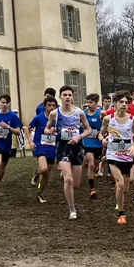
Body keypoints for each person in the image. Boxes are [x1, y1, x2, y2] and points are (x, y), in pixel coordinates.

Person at [47, 85, 93, 219]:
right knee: (68, 180)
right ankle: (72, 209)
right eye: (65, 95)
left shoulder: (79, 112)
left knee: (76, 184)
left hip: (77, 149)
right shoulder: (54, 113)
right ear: (60, 97)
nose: (67, 97)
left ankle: (66, 174)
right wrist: (50, 131)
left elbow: (88, 129)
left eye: (69, 95)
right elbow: (46, 129)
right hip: (63, 148)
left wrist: (78, 137)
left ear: (72, 97)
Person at [100, 91, 134, 225]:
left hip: (127, 155)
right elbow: (101, 133)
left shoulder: (132, 120)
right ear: (115, 103)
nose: (124, 104)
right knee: (120, 183)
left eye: (126, 102)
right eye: (121, 102)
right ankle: (121, 214)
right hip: (113, 154)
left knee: (126, 189)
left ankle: (120, 202)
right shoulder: (108, 119)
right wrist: (103, 140)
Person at [27, 95, 58, 204]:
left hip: (52, 147)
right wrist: (30, 141)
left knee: (46, 172)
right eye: (49, 105)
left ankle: (40, 193)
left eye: (54, 105)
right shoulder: (38, 118)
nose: (51, 107)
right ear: (45, 106)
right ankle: (37, 173)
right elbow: (27, 128)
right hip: (40, 147)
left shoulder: (58, 119)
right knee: (44, 169)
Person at [82, 93, 104, 199]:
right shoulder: (84, 113)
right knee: (91, 165)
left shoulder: (101, 113)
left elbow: (108, 123)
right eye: (88, 102)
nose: (89, 104)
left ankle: (92, 166)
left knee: (95, 164)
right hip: (87, 141)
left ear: (96, 103)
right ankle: (92, 189)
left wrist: (103, 133)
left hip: (98, 142)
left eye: (91, 102)